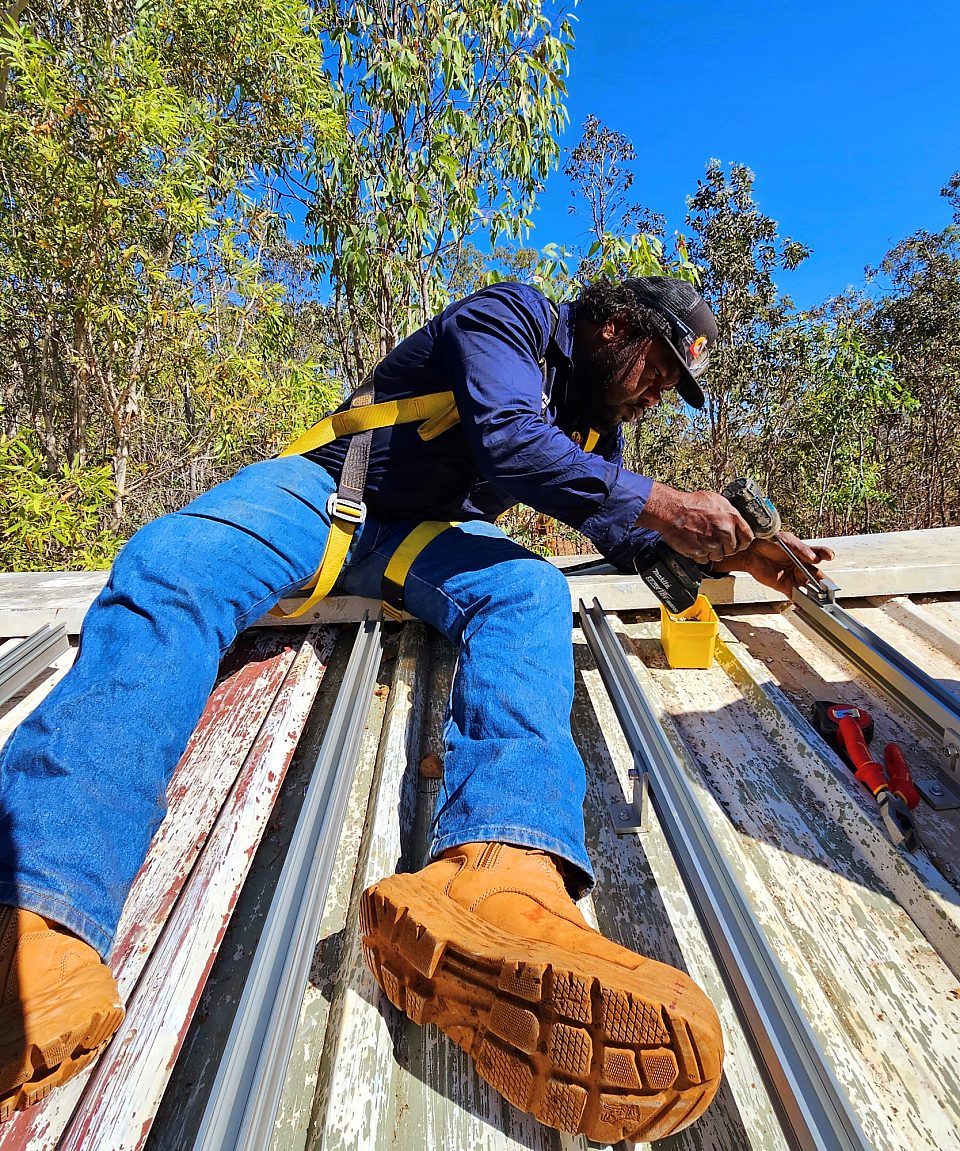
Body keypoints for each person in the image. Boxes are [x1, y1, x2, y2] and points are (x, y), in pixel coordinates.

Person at [0, 276, 832, 1141]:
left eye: (671, 385)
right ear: (614, 326)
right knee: (173, 568)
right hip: (322, 491)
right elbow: (512, 445)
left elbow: (624, 533)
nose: (660, 391)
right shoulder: (510, 317)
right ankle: (35, 912)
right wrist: (666, 501)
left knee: (528, 589)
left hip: (413, 540)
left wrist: (745, 555)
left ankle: (502, 879)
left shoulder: (599, 428)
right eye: (658, 365)